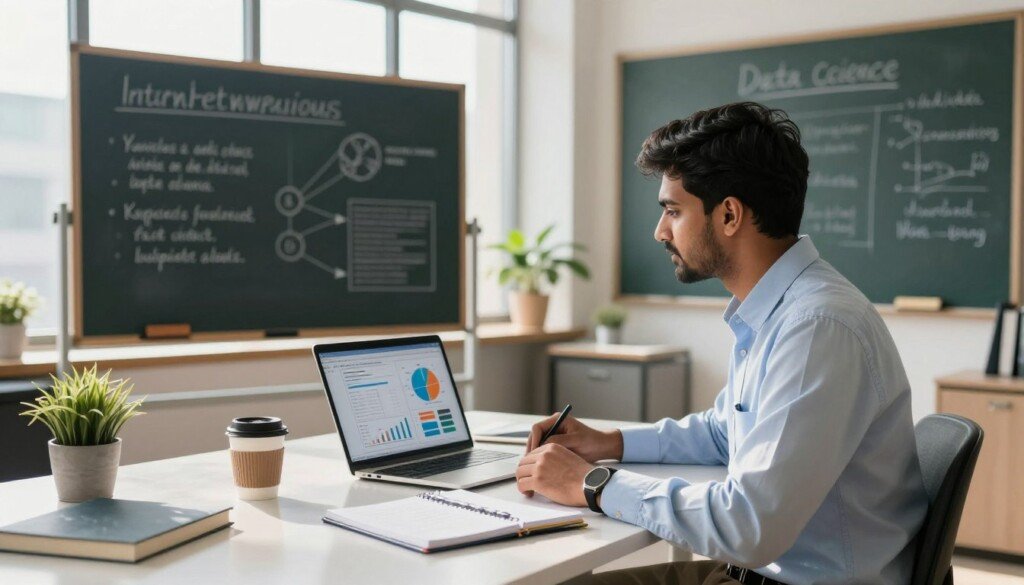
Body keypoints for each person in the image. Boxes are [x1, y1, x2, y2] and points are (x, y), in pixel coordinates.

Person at [514, 102, 928, 585]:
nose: (660, 231)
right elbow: (725, 432)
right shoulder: (779, 309)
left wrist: (591, 483)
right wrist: (609, 443)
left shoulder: (816, 326)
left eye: (673, 211)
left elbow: (749, 526)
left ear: (729, 214)